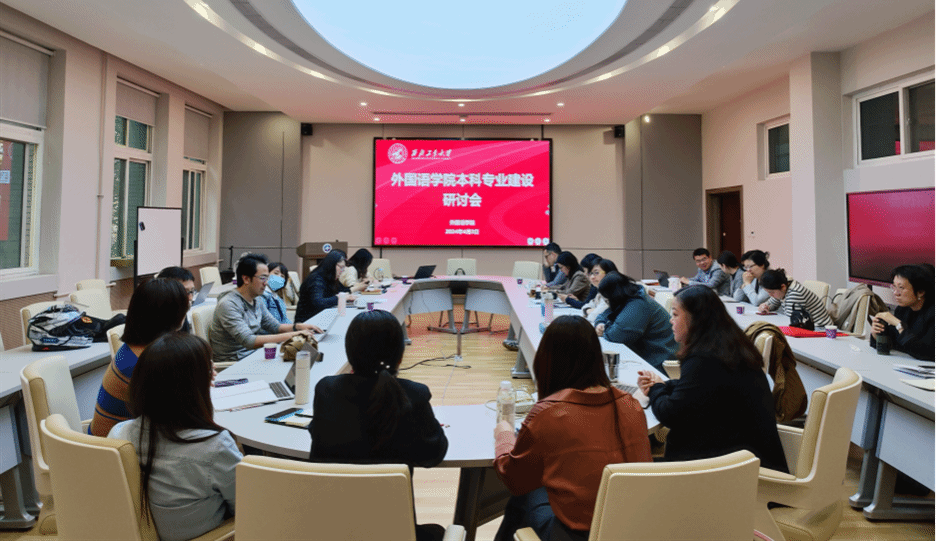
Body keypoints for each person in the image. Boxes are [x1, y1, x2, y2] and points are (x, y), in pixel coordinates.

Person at [493, 316, 652, 541]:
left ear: (546, 361)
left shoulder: (548, 413)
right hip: (631, 530)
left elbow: (514, 479)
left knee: (524, 493)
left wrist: (504, 435)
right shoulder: (630, 405)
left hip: (577, 535)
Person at [308, 310, 448, 541]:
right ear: (400, 356)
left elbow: (319, 436)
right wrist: (424, 424)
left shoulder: (326, 389)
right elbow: (433, 455)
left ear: (350, 353)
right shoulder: (414, 395)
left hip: (333, 530)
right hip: (395, 532)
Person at [638, 286, 789, 473]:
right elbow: (705, 389)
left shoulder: (704, 358)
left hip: (729, 471)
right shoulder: (728, 347)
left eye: (675, 314)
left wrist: (655, 389)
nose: (671, 320)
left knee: (624, 468)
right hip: (742, 458)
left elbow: (670, 415)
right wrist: (664, 385)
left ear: (696, 319)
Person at [109, 333, 241, 541]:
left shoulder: (119, 434)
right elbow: (247, 508)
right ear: (194, 387)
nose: (213, 372)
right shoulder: (215, 446)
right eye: (209, 370)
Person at [89, 278, 189, 437]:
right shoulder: (144, 363)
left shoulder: (135, 349)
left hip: (114, 440)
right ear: (173, 315)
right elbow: (179, 417)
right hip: (114, 448)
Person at [208, 253, 320, 363]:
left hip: (254, 354)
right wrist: (294, 335)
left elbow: (275, 326)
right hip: (235, 362)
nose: (266, 283)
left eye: (267, 278)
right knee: (300, 362)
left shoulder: (257, 299)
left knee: (306, 357)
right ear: (246, 279)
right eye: (262, 278)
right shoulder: (228, 304)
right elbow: (249, 341)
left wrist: (298, 327)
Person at [594, 272, 678, 370]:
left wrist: (604, 329)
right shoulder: (628, 298)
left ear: (614, 295)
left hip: (659, 361)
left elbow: (617, 336)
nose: (608, 303)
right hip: (646, 356)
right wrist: (600, 323)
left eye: (608, 300)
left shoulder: (638, 304)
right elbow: (603, 315)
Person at [870, 264, 935, 361]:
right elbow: (893, 344)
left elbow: (926, 353)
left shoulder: (932, 313)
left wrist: (898, 324)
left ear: (920, 292)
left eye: (901, 288)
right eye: (894, 287)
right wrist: (876, 334)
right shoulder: (902, 310)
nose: (895, 293)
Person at [295, 250, 359, 322]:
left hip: (321, 317)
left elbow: (342, 290)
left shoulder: (330, 278)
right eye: (341, 267)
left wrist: (347, 296)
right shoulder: (316, 279)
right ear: (332, 265)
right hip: (307, 322)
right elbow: (319, 303)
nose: (343, 270)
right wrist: (339, 298)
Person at [758, 269, 833, 327]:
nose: (770, 295)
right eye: (768, 292)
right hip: (806, 325)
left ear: (783, 287)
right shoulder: (782, 289)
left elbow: (790, 321)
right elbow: (772, 303)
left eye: (771, 292)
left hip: (820, 328)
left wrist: (768, 306)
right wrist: (766, 307)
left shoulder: (795, 293)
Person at [156, 266, 196, 332]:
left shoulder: (181, 312)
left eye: (192, 291)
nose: (190, 298)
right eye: (184, 292)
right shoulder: (155, 321)